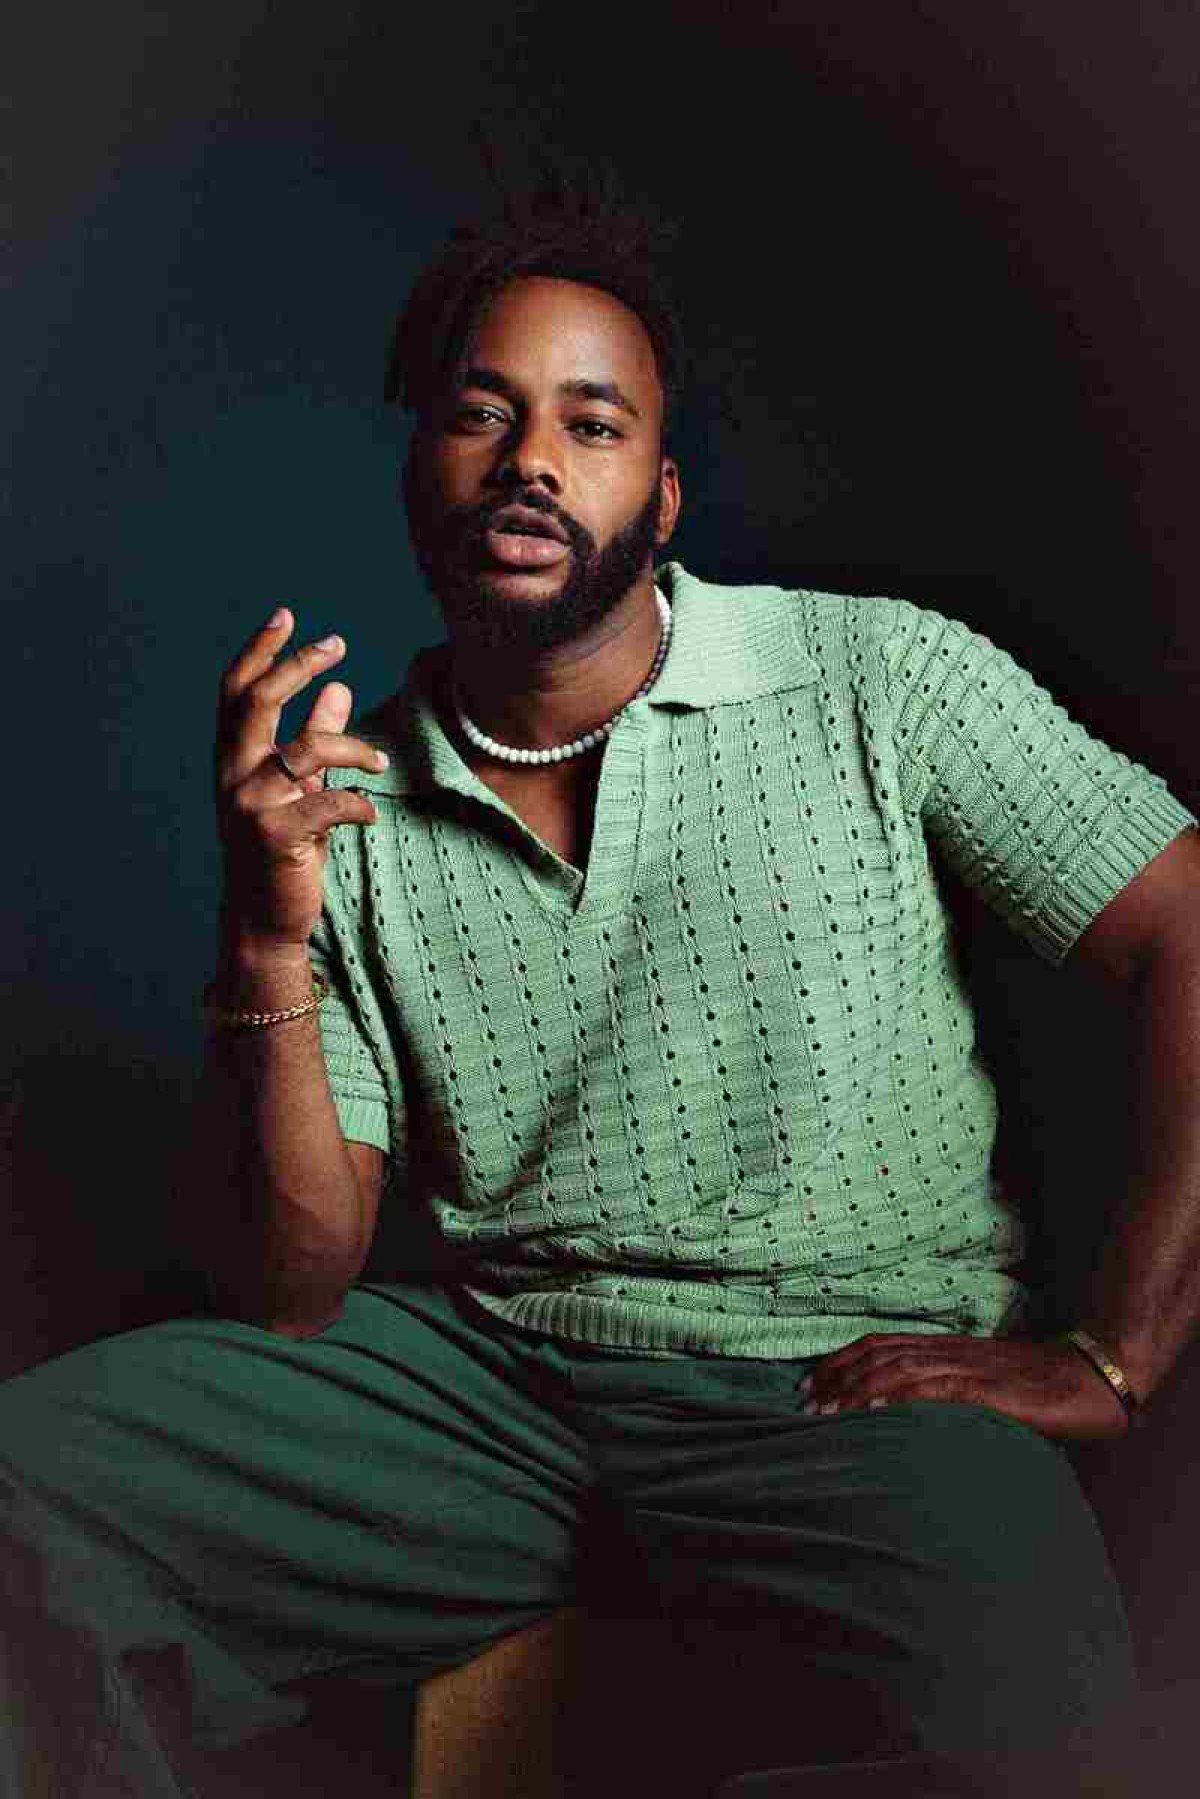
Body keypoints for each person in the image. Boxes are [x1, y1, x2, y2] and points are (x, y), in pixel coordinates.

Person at [3, 177, 1199, 1799]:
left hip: (850, 1386)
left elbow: (1185, 929)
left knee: (1046, 1741)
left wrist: (1117, 1353)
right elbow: (292, 1291)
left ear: (663, 493)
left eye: (591, 423)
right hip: (500, 1387)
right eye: (481, 415)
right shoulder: (344, 802)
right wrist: (266, 939)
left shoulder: (873, 676)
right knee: (30, 1489)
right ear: (420, 473)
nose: (531, 462)